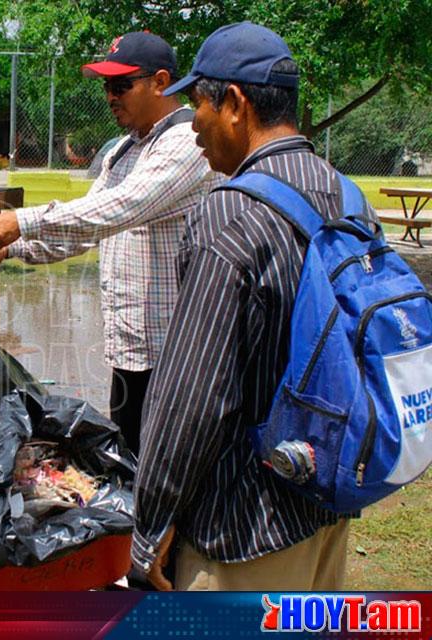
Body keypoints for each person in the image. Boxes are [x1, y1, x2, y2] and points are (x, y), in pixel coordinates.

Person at [131, 22, 362, 591]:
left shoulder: (230, 216)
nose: (193, 130)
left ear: (233, 104)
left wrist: (150, 522)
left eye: (197, 107)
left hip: (244, 534)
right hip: (326, 506)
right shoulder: (344, 194)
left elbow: (190, 398)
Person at [0, 31, 219, 455]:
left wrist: (23, 222)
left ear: (160, 82)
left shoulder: (184, 144)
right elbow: (85, 227)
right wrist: (10, 250)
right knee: (133, 458)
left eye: (121, 85)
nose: (110, 96)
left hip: (174, 351)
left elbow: (120, 208)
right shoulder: (124, 150)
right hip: (130, 347)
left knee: (168, 466)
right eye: (106, 86)